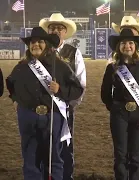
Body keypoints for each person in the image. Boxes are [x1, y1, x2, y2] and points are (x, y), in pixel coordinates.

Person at [5, 27, 84, 180]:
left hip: (52, 117)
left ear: (47, 44)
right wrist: (15, 100)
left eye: (40, 42)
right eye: (33, 42)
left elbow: (77, 89)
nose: (36, 45)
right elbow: (10, 83)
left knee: (54, 158)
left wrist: (60, 89)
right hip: (27, 116)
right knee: (30, 158)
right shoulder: (21, 66)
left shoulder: (60, 66)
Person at [101, 29, 139, 180]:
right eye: (123, 43)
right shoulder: (111, 68)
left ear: (135, 46)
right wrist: (115, 108)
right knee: (120, 153)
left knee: (137, 153)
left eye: (131, 43)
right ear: (118, 46)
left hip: (138, 114)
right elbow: (105, 93)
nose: (127, 46)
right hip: (119, 114)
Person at [39, 12, 87, 180]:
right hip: (42, 108)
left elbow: (81, 82)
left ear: (65, 32)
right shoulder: (39, 49)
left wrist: (70, 104)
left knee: (65, 145)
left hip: (64, 107)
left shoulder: (74, 53)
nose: (56, 31)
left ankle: (67, 176)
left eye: (60, 28)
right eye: (52, 27)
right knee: (44, 144)